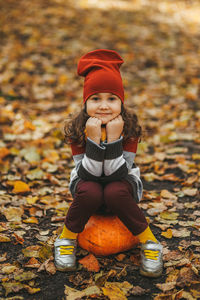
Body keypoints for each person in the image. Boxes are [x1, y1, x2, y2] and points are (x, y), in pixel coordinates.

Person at [54, 49, 163, 277]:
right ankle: (66, 239)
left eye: (111, 99)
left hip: (122, 186)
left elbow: (117, 174)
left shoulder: (129, 128)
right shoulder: (78, 130)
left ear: (121, 102)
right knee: (91, 189)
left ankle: (151, 244)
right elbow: (88, 175)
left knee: (113, 190)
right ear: (85, 103)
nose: (104, 106)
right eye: (95, 99)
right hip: (87, 184)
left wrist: (114, 139)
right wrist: (92, 138)